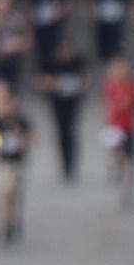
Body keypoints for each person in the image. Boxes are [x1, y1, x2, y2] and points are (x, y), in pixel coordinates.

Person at [0, 79, 33, 246]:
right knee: (5, 194)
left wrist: (21, 137)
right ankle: (6, 224)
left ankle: (15, 220)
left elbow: (31, 140)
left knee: (16, 195)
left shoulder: (22, 121)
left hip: (19, 162)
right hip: (4, 163)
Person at [40, 36, 90, 183]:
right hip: (58, 103)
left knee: (71, 132)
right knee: (61, 133)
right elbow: (44, 82)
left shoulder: (78, 62)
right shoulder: (51, 64)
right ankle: (64, 164)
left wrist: (78, 86)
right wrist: (55, 85)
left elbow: (86, 79)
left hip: (73, 102)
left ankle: (71, 165)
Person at [103, 57, 134, 206]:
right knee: (117, 155)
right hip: (116, 127)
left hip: (129, 127)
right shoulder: (111, 86)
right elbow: (108, 105)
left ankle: (129, 188)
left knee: (131, 159)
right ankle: (116, 172)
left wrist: (129, 104)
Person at [91, 0, 131, 66]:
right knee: (103, 45)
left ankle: (114, 59)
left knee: (115, 45)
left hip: (115, 24)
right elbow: (93, 4)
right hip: (103, 23)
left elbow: (124, 7)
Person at [29, 0, 69, 68]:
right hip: (39, 29)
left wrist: (58, 11)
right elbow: (28, 11)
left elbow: (66, 7)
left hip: (55, 29)